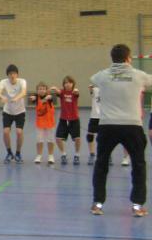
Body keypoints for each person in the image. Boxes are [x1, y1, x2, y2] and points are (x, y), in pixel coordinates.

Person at [89, 44, 152, 217]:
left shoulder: (102, 75)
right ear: (128, 58)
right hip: (132, 126)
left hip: (107, 126)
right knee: (138, 165)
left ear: (112, 58)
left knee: (101, 164)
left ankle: (97, 204)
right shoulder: (138, 75)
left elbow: (92, 78)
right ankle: (137, 205)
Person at [87, 85, 129, 167]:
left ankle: (108, 155)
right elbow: (91, 91)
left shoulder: (110, 89)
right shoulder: (95, 89)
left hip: (106, 117)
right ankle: (92, 154)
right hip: (95, 116)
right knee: (90, 136)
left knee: (107, 137)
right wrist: (91, 88)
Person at [0, 64, 27, 164]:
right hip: (8, 111)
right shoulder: (3, 82)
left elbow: (24, 92)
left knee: (19, 132)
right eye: (10, 74)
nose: (12, 75)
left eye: (14, 73)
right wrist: (2, 97)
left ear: (17, 74)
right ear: (7, 75)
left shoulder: (22, 81)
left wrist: (16, 98)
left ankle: (18, 153)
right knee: (6, 132)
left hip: (20, 111)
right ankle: (9, 153)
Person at [51, 76, 81, 165]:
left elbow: (77, 93)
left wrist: (76, 91)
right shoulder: (62, 92)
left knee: (77, 138)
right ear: (63, 84)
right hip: (63, 119)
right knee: (58, 138)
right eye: (66, 83)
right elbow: (58, 92)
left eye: (70, 83)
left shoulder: (74, 92)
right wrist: (54, 89)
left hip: (74, 119)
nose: (68, 84)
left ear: (73, 84)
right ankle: (63, 154)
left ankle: (77, 155)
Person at [29, 82, 56, 165]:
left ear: (46, 90)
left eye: (43, 89)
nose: (41, 90)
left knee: (50, 140)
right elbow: (32, 98)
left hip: (49, 122)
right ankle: (39, 155)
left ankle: (51, 156)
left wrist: (48, 97)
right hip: (40, 123)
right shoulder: (36, 98)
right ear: (37, 91)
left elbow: (50, 97)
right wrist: (32, 97)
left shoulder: (49, 97)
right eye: (40, 89)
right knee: (39, 140)